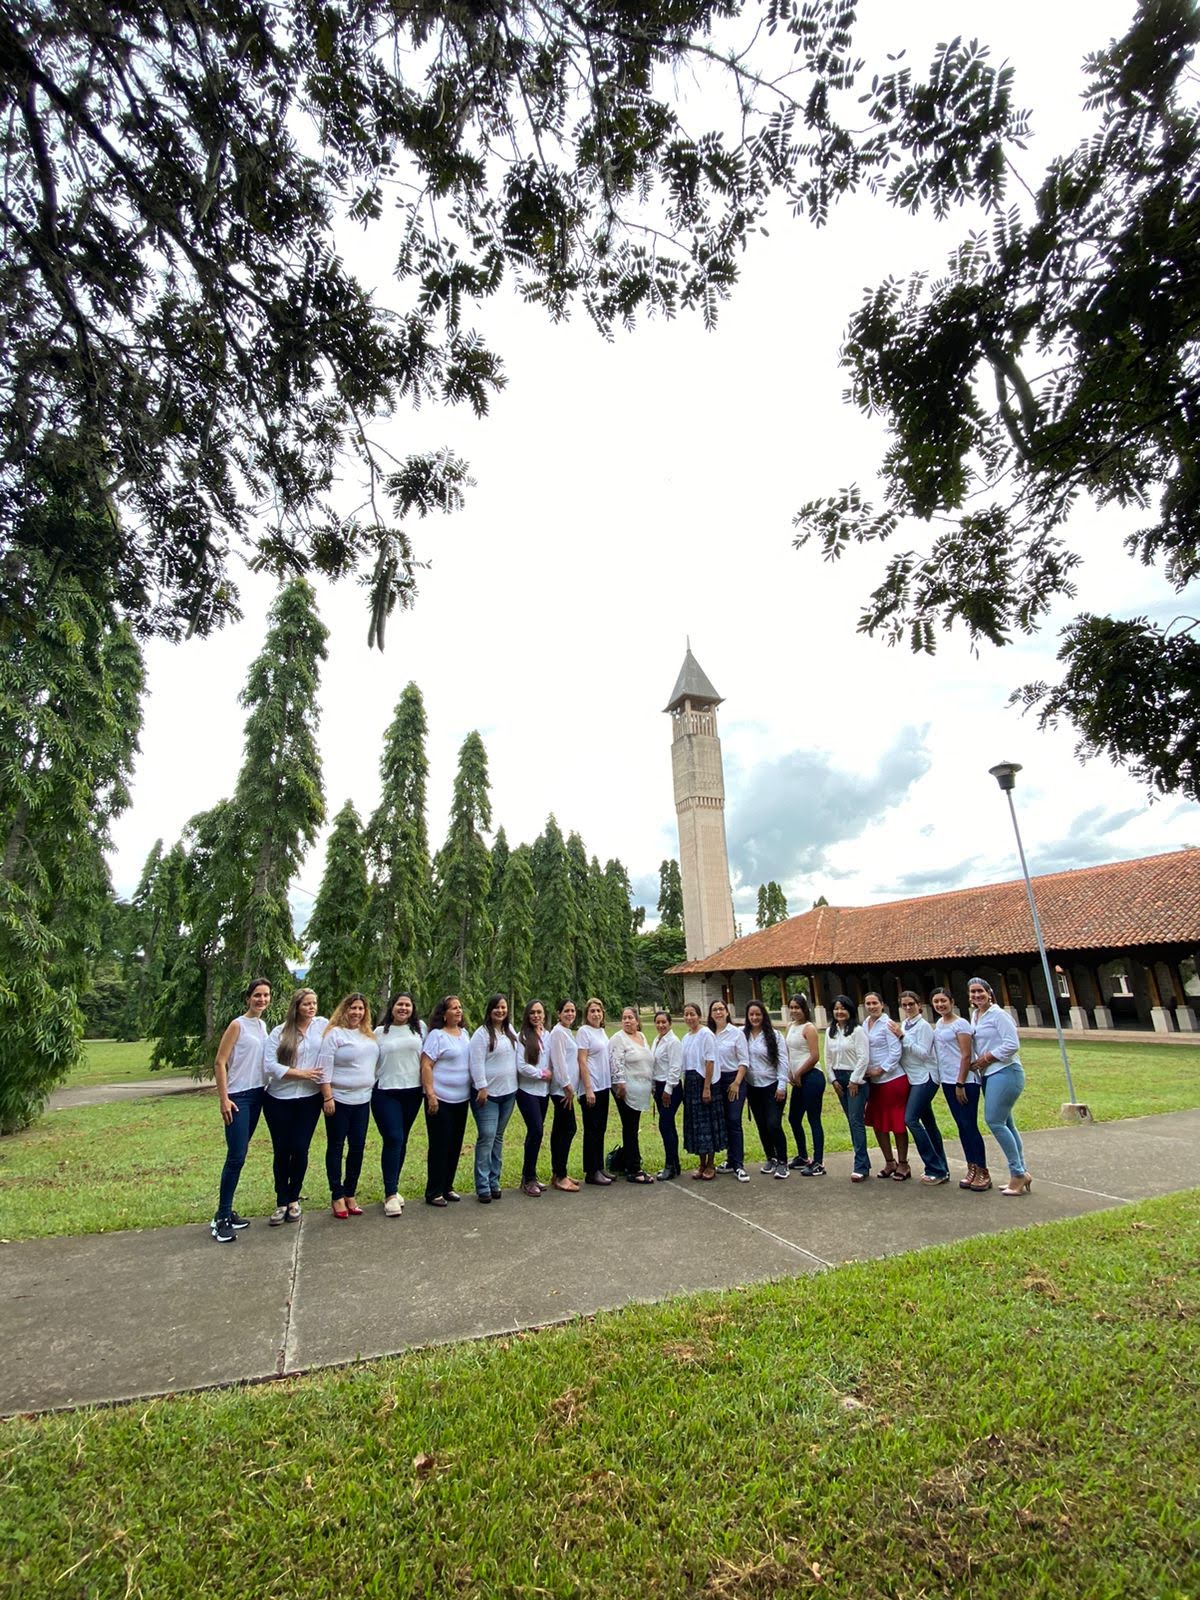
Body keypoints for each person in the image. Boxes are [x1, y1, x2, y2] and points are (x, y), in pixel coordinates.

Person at [210, 976, 271, 1242]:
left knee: (240, 1155)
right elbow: (219, 1062)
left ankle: (227, 1211)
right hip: (238, 1097)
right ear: (248, 998)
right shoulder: (238, 1025)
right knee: (236, 1156)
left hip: (258, 1095)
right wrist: (224, 1098)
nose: (262, 1000)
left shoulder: (262, 1025)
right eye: (257, 995)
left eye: (266, 995)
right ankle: (221, 1218)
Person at [262, 987, 328, 1226]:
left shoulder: (322, 1026)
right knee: (282, 1150)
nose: (311, 1007)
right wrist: (300, 1074)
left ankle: (294, 1198)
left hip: (309, 1100)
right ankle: (281, 1200)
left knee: (300, 1149)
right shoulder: (280, 1032)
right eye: (306, 1004)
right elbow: (269, 1065)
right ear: (296, 1007)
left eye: (314, 1003)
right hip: (279, 1099)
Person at [318, 993, 380, 1218]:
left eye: (361, 1009)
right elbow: (323, 1068)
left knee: (357, 1147)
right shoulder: (335, 1034)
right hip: (338, 1101)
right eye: (353, 1008)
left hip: (363, 1100)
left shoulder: (369, 1035)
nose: (357, 1013)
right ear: (344, 1010)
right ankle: (337, 1195)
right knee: (336, 1147)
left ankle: (350, 1192)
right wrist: (327, 1097)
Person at [969, 976, 1031, 1195]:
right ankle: (1022, 1171)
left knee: (994, 1121)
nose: (977, 996)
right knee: (1008, 1124)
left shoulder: (999, 1015)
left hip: (1005, 1072)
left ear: (989, 992)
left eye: (980, 991)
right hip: (989, 1074)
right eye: (973, 993)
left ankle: (1017, 1174)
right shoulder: (976, 1015)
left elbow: (1012, 1045)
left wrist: (986, 1058)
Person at [372, 991, 426, 1217]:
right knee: (393, 1138)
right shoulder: (379, 1033)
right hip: (386, 1091)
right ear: (391, 1007)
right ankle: (390, 1194)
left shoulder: (420, 1029)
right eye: (399, 1005)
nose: (403, 1008)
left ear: (413, 1008)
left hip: (413, 1091)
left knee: (401, 1139)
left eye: (407, 1005)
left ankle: (394, 1185)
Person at [930, 986, 988, 1191]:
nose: (940, 1005)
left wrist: (960, 1083)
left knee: (969, 1125)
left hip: (965, 1082)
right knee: (961, 1127)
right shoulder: (939, 1023)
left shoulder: (961, 1024)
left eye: (943, 1001)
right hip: (948, 1081)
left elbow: (965, 1055)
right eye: (936, 1002)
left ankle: (982, 1170)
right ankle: (971, 1167)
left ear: (952, 1002)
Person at [892, 990, 949, 1184]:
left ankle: (934, 1166)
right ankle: (942, 1167)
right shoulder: (906, 1024)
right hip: (912, 1078)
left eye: (911, 1004)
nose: (908, 1008)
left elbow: (924, 1053)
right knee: (930, 1124)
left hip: (925, 1078)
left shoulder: (923, 1026)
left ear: (919, 1005)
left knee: (911, 1119)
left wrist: (902, 1038)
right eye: (904, 1005)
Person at [421, 995, 472, 1207]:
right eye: (453, 1008)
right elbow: (426, 1065)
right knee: (439, 1145)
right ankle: (433, 1191)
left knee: (454, 1144)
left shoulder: (465, 1034)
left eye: (460, 1008)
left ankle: (447, 1186)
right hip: (440, 1100)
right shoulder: (437, 1036)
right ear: (444, 1013)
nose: (458, 1011)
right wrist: (430, 1094)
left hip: (462, 1099)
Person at [469, 993, 519, 1203]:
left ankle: (494, 1181)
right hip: (487, 1095)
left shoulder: (509, 1031)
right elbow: (476, 1062)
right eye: (496, 1007)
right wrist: (481, 1086)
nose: (500, 1011)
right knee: (487, 1137)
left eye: (504, 1007)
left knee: (498, 1137)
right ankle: (482, 1186)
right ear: (489, 1010)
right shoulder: (481, 1034)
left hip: (509, 1092)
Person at [608, 1006, 657, 1184]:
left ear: (637, 1020)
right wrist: (620, 1085)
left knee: (633, 1127)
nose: (627, 1021)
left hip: (641, 1091)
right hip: (625, 1091)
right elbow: (616, 1063)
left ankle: (629, 1161)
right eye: (624, 1018)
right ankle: (634, 1169)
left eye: (630, 1017)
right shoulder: (618, 1039)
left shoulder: (642, 1037)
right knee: (630, 1128)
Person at [862, 991, 907, 1177]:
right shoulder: (865, 1024)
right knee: (878, 1123)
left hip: (892, 1080)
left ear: (882, 1004)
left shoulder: (888, 1024)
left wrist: (881, 1069)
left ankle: (903, 1163)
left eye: (875, 1003)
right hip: (873, 1083)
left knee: (896, 1123)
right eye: (868, 1003)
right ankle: (889, 1161)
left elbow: (896, 1051)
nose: (872, 1006)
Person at [827, 995, 871, 1181]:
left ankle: (860, 1165)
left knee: (855, 1120)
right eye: (836, 1008)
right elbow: (827, 1058)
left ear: (850, 1010)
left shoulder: (858, 1031)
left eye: (843, 1008)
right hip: (838, 1078)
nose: (839, 1012)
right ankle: (864, 1161)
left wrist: (854, 1080)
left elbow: (863, 1057)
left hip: (855, 1080)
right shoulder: (831, 1031)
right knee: (851, 1121)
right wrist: (833, 1080)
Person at [744, 1000, 789, 1177]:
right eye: (751, 1014)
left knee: (773, 1124)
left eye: (758, 1014)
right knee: (761, 1125)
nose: (755, 1017)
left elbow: (783, 1060)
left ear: (764, 1015)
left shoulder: (775, 1035)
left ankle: (783, 1161)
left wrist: (782, 1085)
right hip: (753, 1087)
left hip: (772, 1086)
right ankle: (771, 1157)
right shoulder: (743, 1035)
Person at [707, 997, 749, 1181]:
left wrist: (737, 1083)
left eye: (721, 1009)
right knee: (723, 1121)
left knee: (734, 1120)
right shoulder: (708, 1034)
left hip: (734, 1079)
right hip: (716, 1081)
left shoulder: (736, 1033)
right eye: (714, 1009)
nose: (718, 1012)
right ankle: (730, 1160)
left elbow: (744, 1060)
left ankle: (739, 1164)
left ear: (727, 1011)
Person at [680, 1001, 723, 1179]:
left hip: (704, 1082)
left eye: (693, 1014)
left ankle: (711, 1163)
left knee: (708, 1124)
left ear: (699, 1015)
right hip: (690, 1083)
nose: (689, 1018)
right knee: (696, 1125)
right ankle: (701, 1162)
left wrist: (706, 1088)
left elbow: (710, 1061)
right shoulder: (686, 1037)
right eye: (686, 1014)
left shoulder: (706, 1034)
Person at [515, 999, 553, 1196]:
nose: (536, 1016)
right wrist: (541, 1074)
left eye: (539, 1012)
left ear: (544, 1014)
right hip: (527, 1091)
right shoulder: (522, 1037)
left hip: (543, 1093)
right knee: (536, 1130)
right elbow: (521, 1066)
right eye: (532, 1013)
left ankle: (530, 1176)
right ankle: (528, 1178)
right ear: (527, 1016)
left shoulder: (548, 1035)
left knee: (536, 1134)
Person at [785, 994, 825, 1175]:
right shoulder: (790, 1027)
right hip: (797, 1079)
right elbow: (788, 1053)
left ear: (804, 1009)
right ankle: (802, 1156)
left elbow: (815, 1055)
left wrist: (799, 1073)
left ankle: (818, 1162)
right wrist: (790, 1074)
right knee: (794, 1117)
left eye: (797, 1008)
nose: (794, 1011)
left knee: (813, 1119)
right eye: (792, 1007)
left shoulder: (809, 1028)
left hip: (812, 1077)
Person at [576, 997, 613, 1186]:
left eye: (599, 1011)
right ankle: (591, 1172)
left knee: (601, 1128)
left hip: (604, 1086)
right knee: (591, 1130)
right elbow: (582, 1060)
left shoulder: (601, 1031)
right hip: (591, 1088)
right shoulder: (584, 1032)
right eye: (592, 1011)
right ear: (587, 1014)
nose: (596, 1014)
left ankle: (599, 1166)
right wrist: (588, 1088)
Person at [547, 999, 581, 1191]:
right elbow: (558, 1061)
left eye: (573, 1010)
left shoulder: (566, 1032)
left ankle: (559, 1172)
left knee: (561, 1130)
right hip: (562, 1091)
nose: (570, 1014)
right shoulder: (558, 1033)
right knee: (567, 1129)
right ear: (558, 1013)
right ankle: (560, 1175)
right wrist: (566, 1085)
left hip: (567, 1090)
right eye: (566, 1011)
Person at [651, 1009, 683, 1180]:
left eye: (664, 1022)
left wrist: (668, 1090)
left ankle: (669, 1165)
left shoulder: (673, 1042)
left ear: (670, 1023)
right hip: (658, 1085)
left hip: (670, 1088)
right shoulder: (657, 1040)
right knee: (668, 1125)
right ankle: (675, 1164)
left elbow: (675, 1068)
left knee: (665, 1125)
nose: (661, 1025)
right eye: (658, 1022)